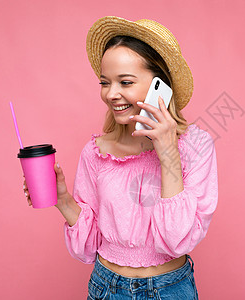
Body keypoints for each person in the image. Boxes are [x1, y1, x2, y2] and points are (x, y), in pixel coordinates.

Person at [23, 16, 218, 299]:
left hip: (170, 289)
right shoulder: (96, 151)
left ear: (159, 87)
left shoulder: (196, 146)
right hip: (106, 287)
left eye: (125, 82)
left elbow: (176, 241)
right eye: (105, 82)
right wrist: (63, 201)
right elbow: (88, 248)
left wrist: (167, 153)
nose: (111, 94)